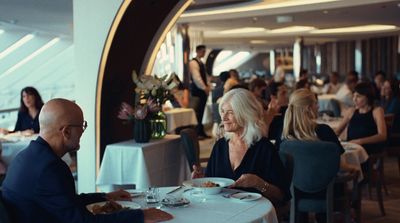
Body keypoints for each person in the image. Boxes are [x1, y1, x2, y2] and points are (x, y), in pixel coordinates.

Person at [2, 99, 172, 223]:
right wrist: (140, 216)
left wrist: (104, 196)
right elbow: (81, 221)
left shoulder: (26, 156)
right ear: (67, 131)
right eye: (82, 126)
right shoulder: (50, 167)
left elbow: (65, 202)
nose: (83, 131)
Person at [191, 89, 290, 206]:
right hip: (221, 211)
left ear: (246, 114)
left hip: (253, 213)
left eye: (230, 112)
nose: (224, 117)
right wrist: (202, 180)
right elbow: (212, 184)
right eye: (222, 111)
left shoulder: (264, 148)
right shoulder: (220, 146)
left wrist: (259, 183)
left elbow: (281, 197)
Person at [335, 82, 387, 155]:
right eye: (353, 96)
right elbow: (338, 131)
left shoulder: (377, 111)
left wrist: (360, 141)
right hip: (352, 147)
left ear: (367, 97)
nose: (354, 99)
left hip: (368, 148)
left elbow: (382, 136)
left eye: (358, 96)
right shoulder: (351, 111)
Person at [189, 45, 211, 139]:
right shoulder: (193, 62)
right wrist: (204, 87)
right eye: (202, 51)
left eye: (204, 51)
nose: (204, 53)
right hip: (197, 90)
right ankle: (197, 133)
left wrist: (208, 86)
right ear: (197, 51)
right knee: (198, 111)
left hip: (202, 90)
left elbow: (205, 76)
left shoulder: (201, 62)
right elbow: (196, 77)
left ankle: (201, 131)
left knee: (201, 111)